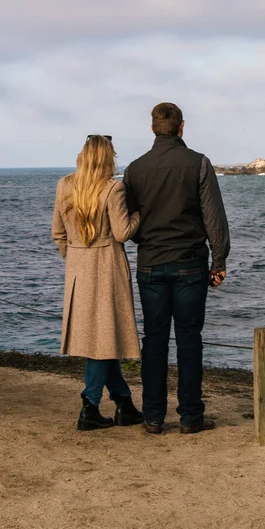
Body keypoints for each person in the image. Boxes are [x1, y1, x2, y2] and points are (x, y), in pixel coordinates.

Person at [124, 102, 230, 434]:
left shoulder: (135, 169)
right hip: (189, 264)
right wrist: (219, 261)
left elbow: (129, 220)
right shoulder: (198, 163)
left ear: (153, 127)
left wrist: (146, 237)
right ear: (181, 127)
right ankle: (190, 416)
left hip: (150, 263)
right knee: (188, 340)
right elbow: (214, 218)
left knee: (154, 340)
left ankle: (153, 417)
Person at [52, 134, 144, 431]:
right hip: (107, 269)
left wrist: (76, 260)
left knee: (104, 341)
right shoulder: (113, 188)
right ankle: (89, 406)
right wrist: (140, 215)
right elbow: (122, 232)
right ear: (108, 158)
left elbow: (58, 233)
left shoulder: (65, 184)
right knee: (103, 343)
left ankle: (124, 403)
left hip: (79, 271)